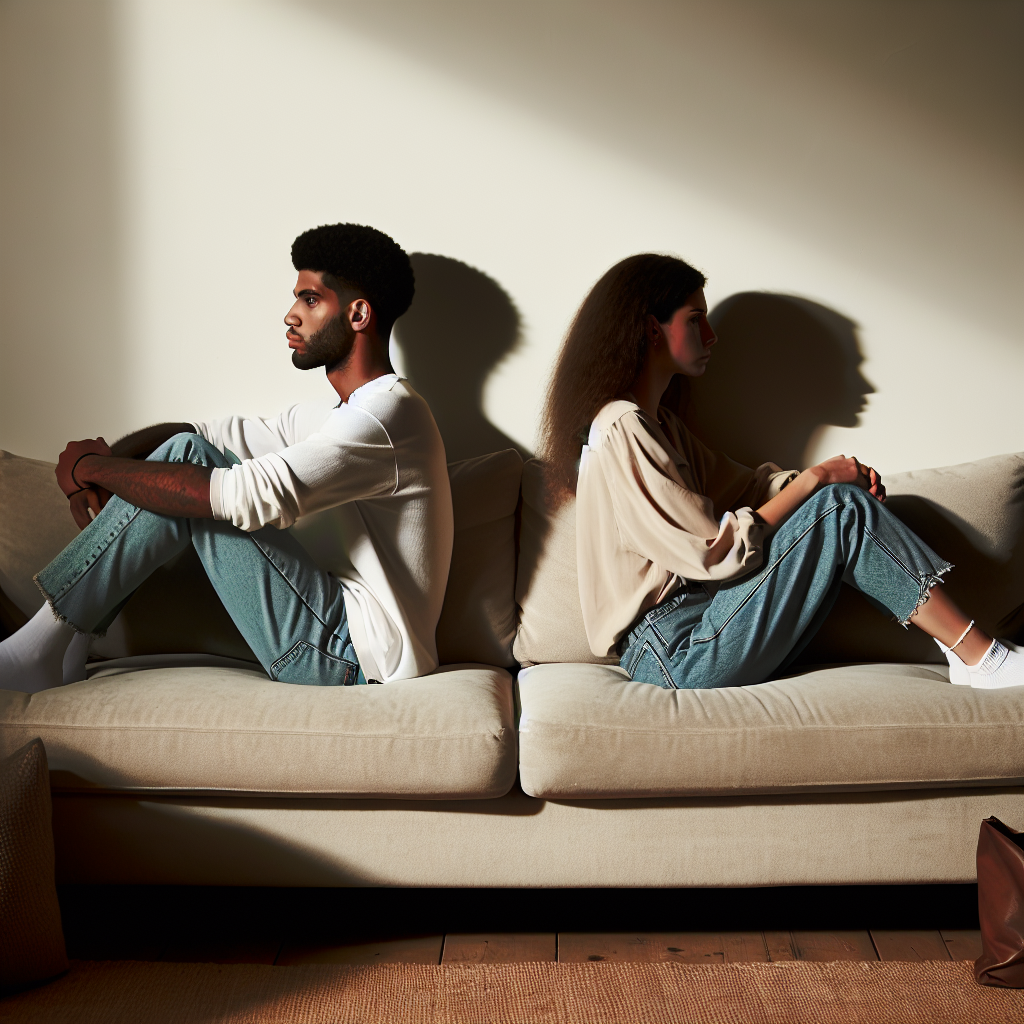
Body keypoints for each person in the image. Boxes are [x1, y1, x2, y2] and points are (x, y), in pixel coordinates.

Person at [0, 223, 453, 693]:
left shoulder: (387, 416)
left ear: (359, 315)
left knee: (191, 463)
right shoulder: (338, 417)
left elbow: (239, 494)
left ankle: (38, 648)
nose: (291, 316)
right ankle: (64, 643)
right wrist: (109, 460)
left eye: (311, 300)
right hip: (335, 637)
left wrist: (87, 468)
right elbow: (202, 432)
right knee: (188, 452)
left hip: (352, 659)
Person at [540, 253, 1022, 690]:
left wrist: (834, 475)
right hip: (675, 649)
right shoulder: (623, 426)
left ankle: (973, 655)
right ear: (651, 330)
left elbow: (748, 485)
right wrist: (820, 482)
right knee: (838, 509)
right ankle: (980, 659)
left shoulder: (660, 425)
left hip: (699, 627)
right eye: (695, 319)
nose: (711, 336)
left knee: (837, 503)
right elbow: (714, 550)